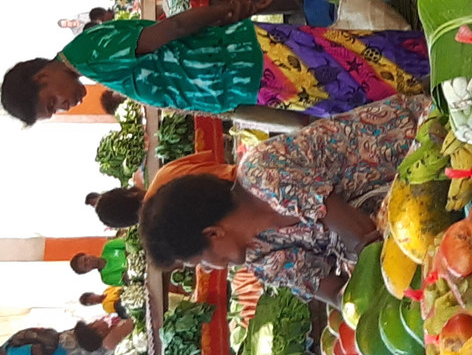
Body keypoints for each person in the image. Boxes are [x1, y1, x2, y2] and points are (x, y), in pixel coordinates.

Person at [139, 96, 429, 305]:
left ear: (213, 233)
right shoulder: (261, 259)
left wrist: (368, 292)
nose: (208, 268)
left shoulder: (262, 172)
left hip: (420, 146)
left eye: (200, 261)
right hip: (403, 216)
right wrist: (354, 309)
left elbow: (360, 234)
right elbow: (336, 294)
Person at [1, 0, 429, 124]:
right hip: (254, 76)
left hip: (255, 60)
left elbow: (171, 30)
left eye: (50, 104)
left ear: (42, 76)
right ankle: (447, 75)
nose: (63, 107)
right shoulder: (93, 66)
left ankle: (451, 60)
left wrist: (230, 10)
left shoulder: (88, 53)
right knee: (365, 78)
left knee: (371, 68)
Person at [94, 152, 237, 228]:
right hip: (246, 185)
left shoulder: (166, 236)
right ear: (132, 193)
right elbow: (216, 161)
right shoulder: (165, 175)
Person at [0, 320, 131, 355]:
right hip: (63, 339)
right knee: (103, 336)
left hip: (65, 349)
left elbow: (37, 349)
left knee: (103, 348)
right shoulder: (12, 340)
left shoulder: (12, 351)